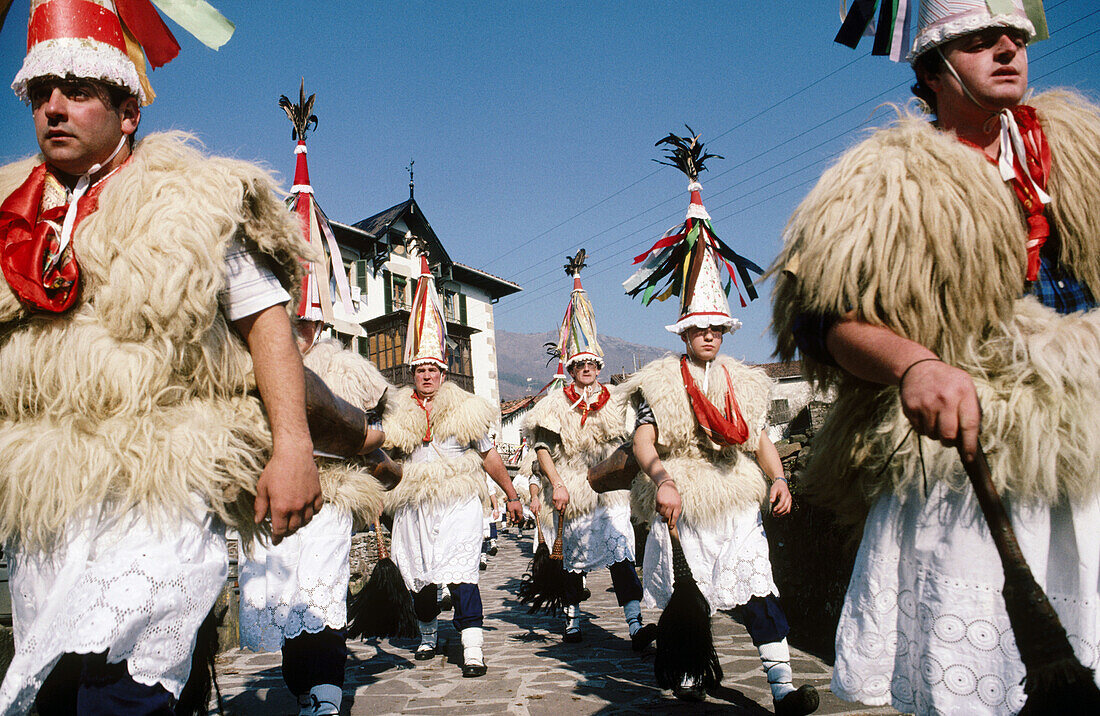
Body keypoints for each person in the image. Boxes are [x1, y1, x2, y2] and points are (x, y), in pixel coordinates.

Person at [771, 1, 1100, 713]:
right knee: (976, 683)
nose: (1008, 51)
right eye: (981, 41)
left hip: (1090, 452)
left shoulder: (1080, 151)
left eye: (1015, 37)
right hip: (964, 454)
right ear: (933, 69)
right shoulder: (886, 182)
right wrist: (914, 365)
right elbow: (823, 317)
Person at [0, 2, 322, 712]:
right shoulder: (9, 207)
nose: (53, 108)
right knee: (50, 696)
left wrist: (292, 444)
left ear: (128, 111)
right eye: (40, 92)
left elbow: (265, 316)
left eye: (78, 90)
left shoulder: (190, 199)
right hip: (50, 500)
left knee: (124, 695)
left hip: (162, 487)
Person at [620, 136, 818, 713]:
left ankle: (782, 688)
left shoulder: (747, 381)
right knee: (690, 594)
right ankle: (687, 669)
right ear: (683, 332)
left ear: (725, 331)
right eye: (699, 328)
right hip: (681, 493)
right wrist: (661, 479)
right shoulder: (659, 380)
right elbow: (643, 439)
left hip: (733, 497)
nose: (709, 336)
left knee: (757, 590)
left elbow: (760, 438)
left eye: (717, 328)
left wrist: (778, 479)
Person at [237, 92, 392, 716]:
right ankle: (306, 684)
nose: (299, 330)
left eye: (307, 320)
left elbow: (377, 423)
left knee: (320, 584)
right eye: (289, 319)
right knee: (282, 591)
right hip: (267, 487)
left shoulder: (347, 368)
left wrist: (378, 455)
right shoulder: (246, 357)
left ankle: (326, 687)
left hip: (329, 489)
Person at [382, 250, 523, 677]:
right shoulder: (395, 411)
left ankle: (472, 646)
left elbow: (489, 455)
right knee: (421, 578)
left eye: (434, 368)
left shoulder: (467, 409)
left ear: (444, 370)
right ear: (413, 371)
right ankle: (427, 633)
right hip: (416, 505)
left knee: (463, 574)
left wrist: (512, 494)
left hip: (458, 501)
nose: (427, 375)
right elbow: (384, 458)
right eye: (420, 368)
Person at [521, 259, 655, 648]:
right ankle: (573, 619)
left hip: (608, 488)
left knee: (621, 553)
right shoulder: (553, 403)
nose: (586, 369)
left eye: (592, 364)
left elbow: (633, 441)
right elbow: (542, 447)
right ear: (571, 365)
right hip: (570, 489)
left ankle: (634, 625)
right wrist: (557, 484)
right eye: (579, 364)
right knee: (572, 557)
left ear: (599, 365)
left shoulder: (616, 401)